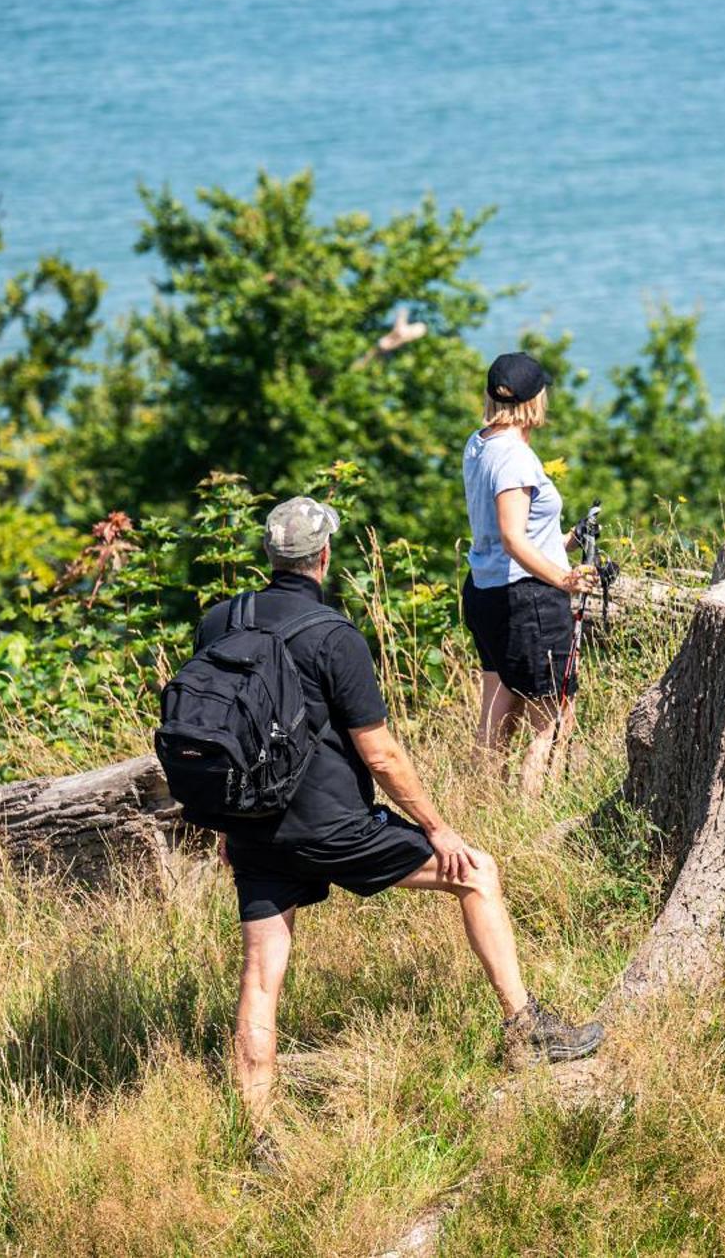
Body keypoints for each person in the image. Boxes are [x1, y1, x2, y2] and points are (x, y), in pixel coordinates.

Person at [184, 496, 603, 1167]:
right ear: (322, 557)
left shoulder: (220, 619)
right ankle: (525, 1029)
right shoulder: (333, 635)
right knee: (478, 872)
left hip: (253, 826)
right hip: (334, 825)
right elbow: (380, 755)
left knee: (262, 972)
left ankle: (258, 1136)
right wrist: (439, 829)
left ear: (272, 557)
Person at [460, 352, 597, 793]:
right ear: (535, 400)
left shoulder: (479, 443)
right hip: (528, 599)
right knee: (553, 718)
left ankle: (483, 805)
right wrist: (564, 579)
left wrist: (570, 540)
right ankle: (535, 819)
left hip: (486, 592)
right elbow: (513, 539)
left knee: (498, 706)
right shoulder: (516, 458)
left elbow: (516, 538)